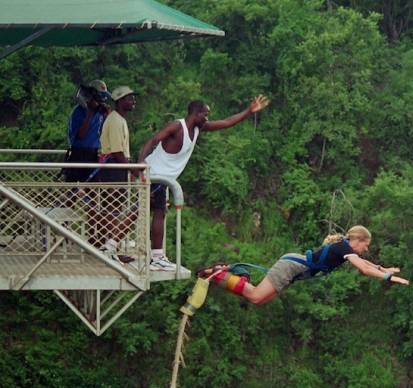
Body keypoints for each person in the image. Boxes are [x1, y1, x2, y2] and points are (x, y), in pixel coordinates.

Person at [138, 95, 270, 272]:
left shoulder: (199, 128)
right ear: (196, 113)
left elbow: (226, 122)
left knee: (154, 212)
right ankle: (152, 256)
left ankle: (148, 254)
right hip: (154, 174)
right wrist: (141, 164)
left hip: (162, 178)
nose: (207, 118)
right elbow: (153, 140)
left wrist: (249, 110)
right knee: (151, 213)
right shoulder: (177, 126)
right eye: (205, 114)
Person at [192, 226, 409, 310]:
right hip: (291, 266)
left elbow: (367, 264)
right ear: (358, 240)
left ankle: (226, 274)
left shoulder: (344, 247)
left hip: (293, 267)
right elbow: (363, 269)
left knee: (258, 299)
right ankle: (220, 272)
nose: (365, 249)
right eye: (365, 245)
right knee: (257, 297)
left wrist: (383, 268)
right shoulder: (344, 247)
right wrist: (388, 278)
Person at [97, 85, 139, 261]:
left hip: (116, 167)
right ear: (121, 101)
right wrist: (132, 169)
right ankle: (111, 248)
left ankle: (110, 246)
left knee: (114, 208)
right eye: (129, 98)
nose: (133, 101)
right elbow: (116, 151)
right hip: (113, 167)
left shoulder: (118, 119)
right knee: (113, 208)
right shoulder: (115, 121)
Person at [63, 79, 111, 182]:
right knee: (72, 188)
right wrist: (89, 114)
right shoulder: (78, 111)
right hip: (78, 153)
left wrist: (107, 115)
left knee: (92, 187)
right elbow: (80, 135)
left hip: (93, 154)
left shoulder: (99, 112)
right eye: (101, 95)